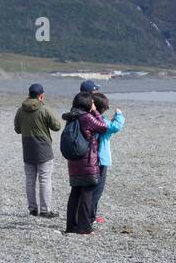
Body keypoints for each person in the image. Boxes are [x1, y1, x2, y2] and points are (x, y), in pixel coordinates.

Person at [62, 91, 107, 235]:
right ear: (87, 104)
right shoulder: (86, 117)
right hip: (87, 162)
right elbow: (103, 127)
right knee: (87, 194)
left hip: (73, 162)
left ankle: (71, 226)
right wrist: (95, 111)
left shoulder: (71, 116)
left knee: (75, 193)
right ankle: (84, 227)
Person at [14, 82, 61, 218]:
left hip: (27, 148)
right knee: (45, 179)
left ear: (29, 94)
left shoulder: (20, 110)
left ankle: (33, 209)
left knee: (30, 179)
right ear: (41, 96)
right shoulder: (44, 110)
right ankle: (45, 210)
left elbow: (17, 129)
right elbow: (57, 126)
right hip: (43, 148)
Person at [90, 91, 124, 225]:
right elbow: (116, 126)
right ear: (102, 109)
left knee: (88, 188)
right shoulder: (102, 121)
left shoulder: (87, 118)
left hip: (89, 158)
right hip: (101, 159)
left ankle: (87, 213)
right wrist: (119, 114)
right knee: (97, 189)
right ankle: (91, 215)